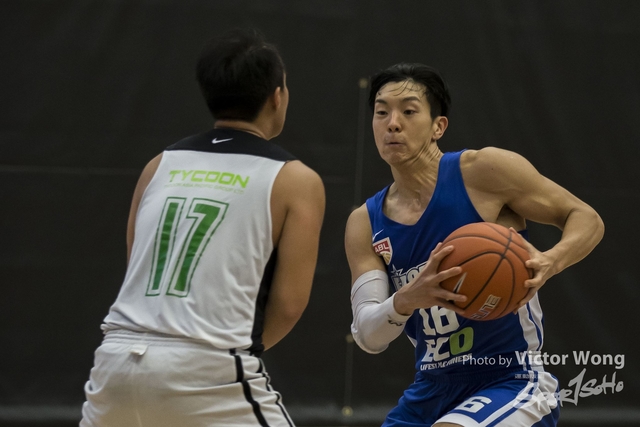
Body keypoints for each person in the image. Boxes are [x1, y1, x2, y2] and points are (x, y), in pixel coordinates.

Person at [80, 28, 325, 427]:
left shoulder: (159, 165)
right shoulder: (296, 179)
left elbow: (136, 264)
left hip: (116, 360)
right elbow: (289, 304)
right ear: (277, 96)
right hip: (206, 365)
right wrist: (222, 344)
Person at [345, 63, 604, 427]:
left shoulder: (484, 171)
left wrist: (551, 260)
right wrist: (406, 299)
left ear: (438, 126)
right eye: (381, 112)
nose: (393, 123)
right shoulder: (365, 222)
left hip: (511, 378)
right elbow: (368, 335)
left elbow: (586, 217)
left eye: (409, 111)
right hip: (430, 388)